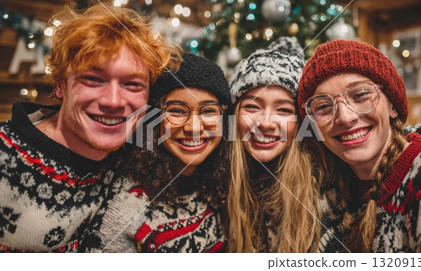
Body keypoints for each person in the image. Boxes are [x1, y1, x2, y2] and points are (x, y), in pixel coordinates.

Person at [0, 4, 180, 252]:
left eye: (132, 84)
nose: (113, 101)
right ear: (60, 85)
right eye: (93, 79)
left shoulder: (136, 155)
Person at [298, 40, 421, 252]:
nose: (345, 117)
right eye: (323, 107)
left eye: (360, 95)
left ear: (392, 105)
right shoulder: (330, 191)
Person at [93, 53, 230, 252]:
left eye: (208, 111)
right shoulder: (128, 209)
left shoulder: (221, 187)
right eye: (177, 111)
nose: (193, 127)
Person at [227, 37, 328, 252]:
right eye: (253, 107)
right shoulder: (219, 180)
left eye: (283, 110)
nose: (266, 123)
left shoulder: (325, 185)